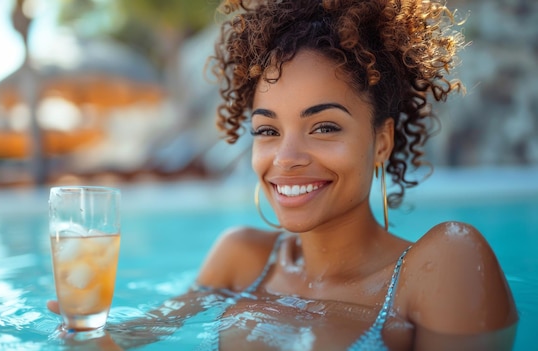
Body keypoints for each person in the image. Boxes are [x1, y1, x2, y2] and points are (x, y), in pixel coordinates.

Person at [48, 0, 518, 349]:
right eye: (268, 130)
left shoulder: (444, 265)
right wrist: (82, 330)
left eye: (325, 126)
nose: (287, 157)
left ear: (381, 140)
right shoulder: (239, 261)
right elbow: (127, 338)